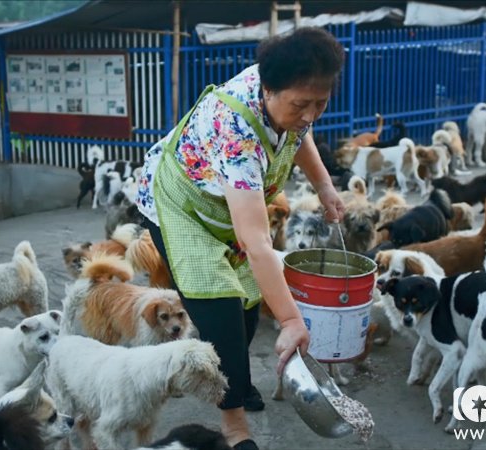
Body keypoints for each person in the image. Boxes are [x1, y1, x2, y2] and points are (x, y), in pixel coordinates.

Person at [136, 27, 346, 450]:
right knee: (222, 316)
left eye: (320, 103)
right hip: (181, 210)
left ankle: (238, 380)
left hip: (225, 207)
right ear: (268, 90)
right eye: (301, 104)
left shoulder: (286, 93)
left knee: (249, 308)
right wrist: (289, 320)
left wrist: (324, 186)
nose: (310, 114)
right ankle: (234, 428)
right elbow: (257, 244)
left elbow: (298, 136)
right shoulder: (235, 129)